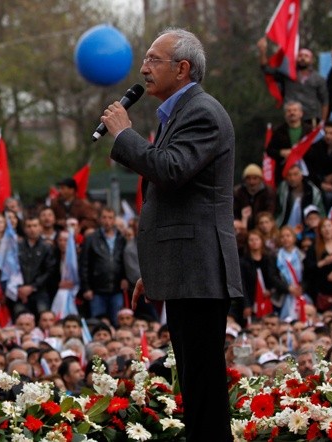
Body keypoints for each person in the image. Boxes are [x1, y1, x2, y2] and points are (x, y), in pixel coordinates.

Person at [100, 28, 242, 441]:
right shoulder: (177, 114)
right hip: (185, 269)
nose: (143, 69)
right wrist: (156, 268)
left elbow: (171, 169)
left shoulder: (202, 112)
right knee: (195, 387)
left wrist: (124, 134)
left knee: (204, 388)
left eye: (152, 60)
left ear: (182, 69)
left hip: (200, 271)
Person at [257, 39, 328, 122]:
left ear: (311, 60)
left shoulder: (318, 78)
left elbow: (325, 101)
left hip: (310, 118)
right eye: (300, 56)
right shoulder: (287, 74)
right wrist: (262, 51)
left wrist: (323, 122)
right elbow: (266, 69)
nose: (303, 58)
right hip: (291, 118)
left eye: (306, 56)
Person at [79, 207, 128, 325]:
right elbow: (84, 264)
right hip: (97, 290)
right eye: (104, 217)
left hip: (117, 289)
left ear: (114, 219)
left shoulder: (121, 239)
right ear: (100, 219)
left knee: (117, 322)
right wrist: (86, 288)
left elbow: (125, 261)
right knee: (97, 323)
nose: (107, 221)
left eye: (110, 218)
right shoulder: (91, 239)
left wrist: (125, 278)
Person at [267, 101, 313, 185]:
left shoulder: (310, 130)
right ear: (285, 115)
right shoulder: (278, 131)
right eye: (289, 111)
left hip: (307, 170)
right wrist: (281, 152)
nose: (292, 113)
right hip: (284, 172)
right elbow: (269, 150)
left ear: (301, 113)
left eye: (295, 110)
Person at [233, 164, 276, 231]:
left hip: (262, 227)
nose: (252, 182)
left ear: (260, 179)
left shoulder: (268, 192)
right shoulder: (238, 192)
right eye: (248, 178)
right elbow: (234, 211)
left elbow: (270, 212)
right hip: (242, 226)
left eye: (255, 178)